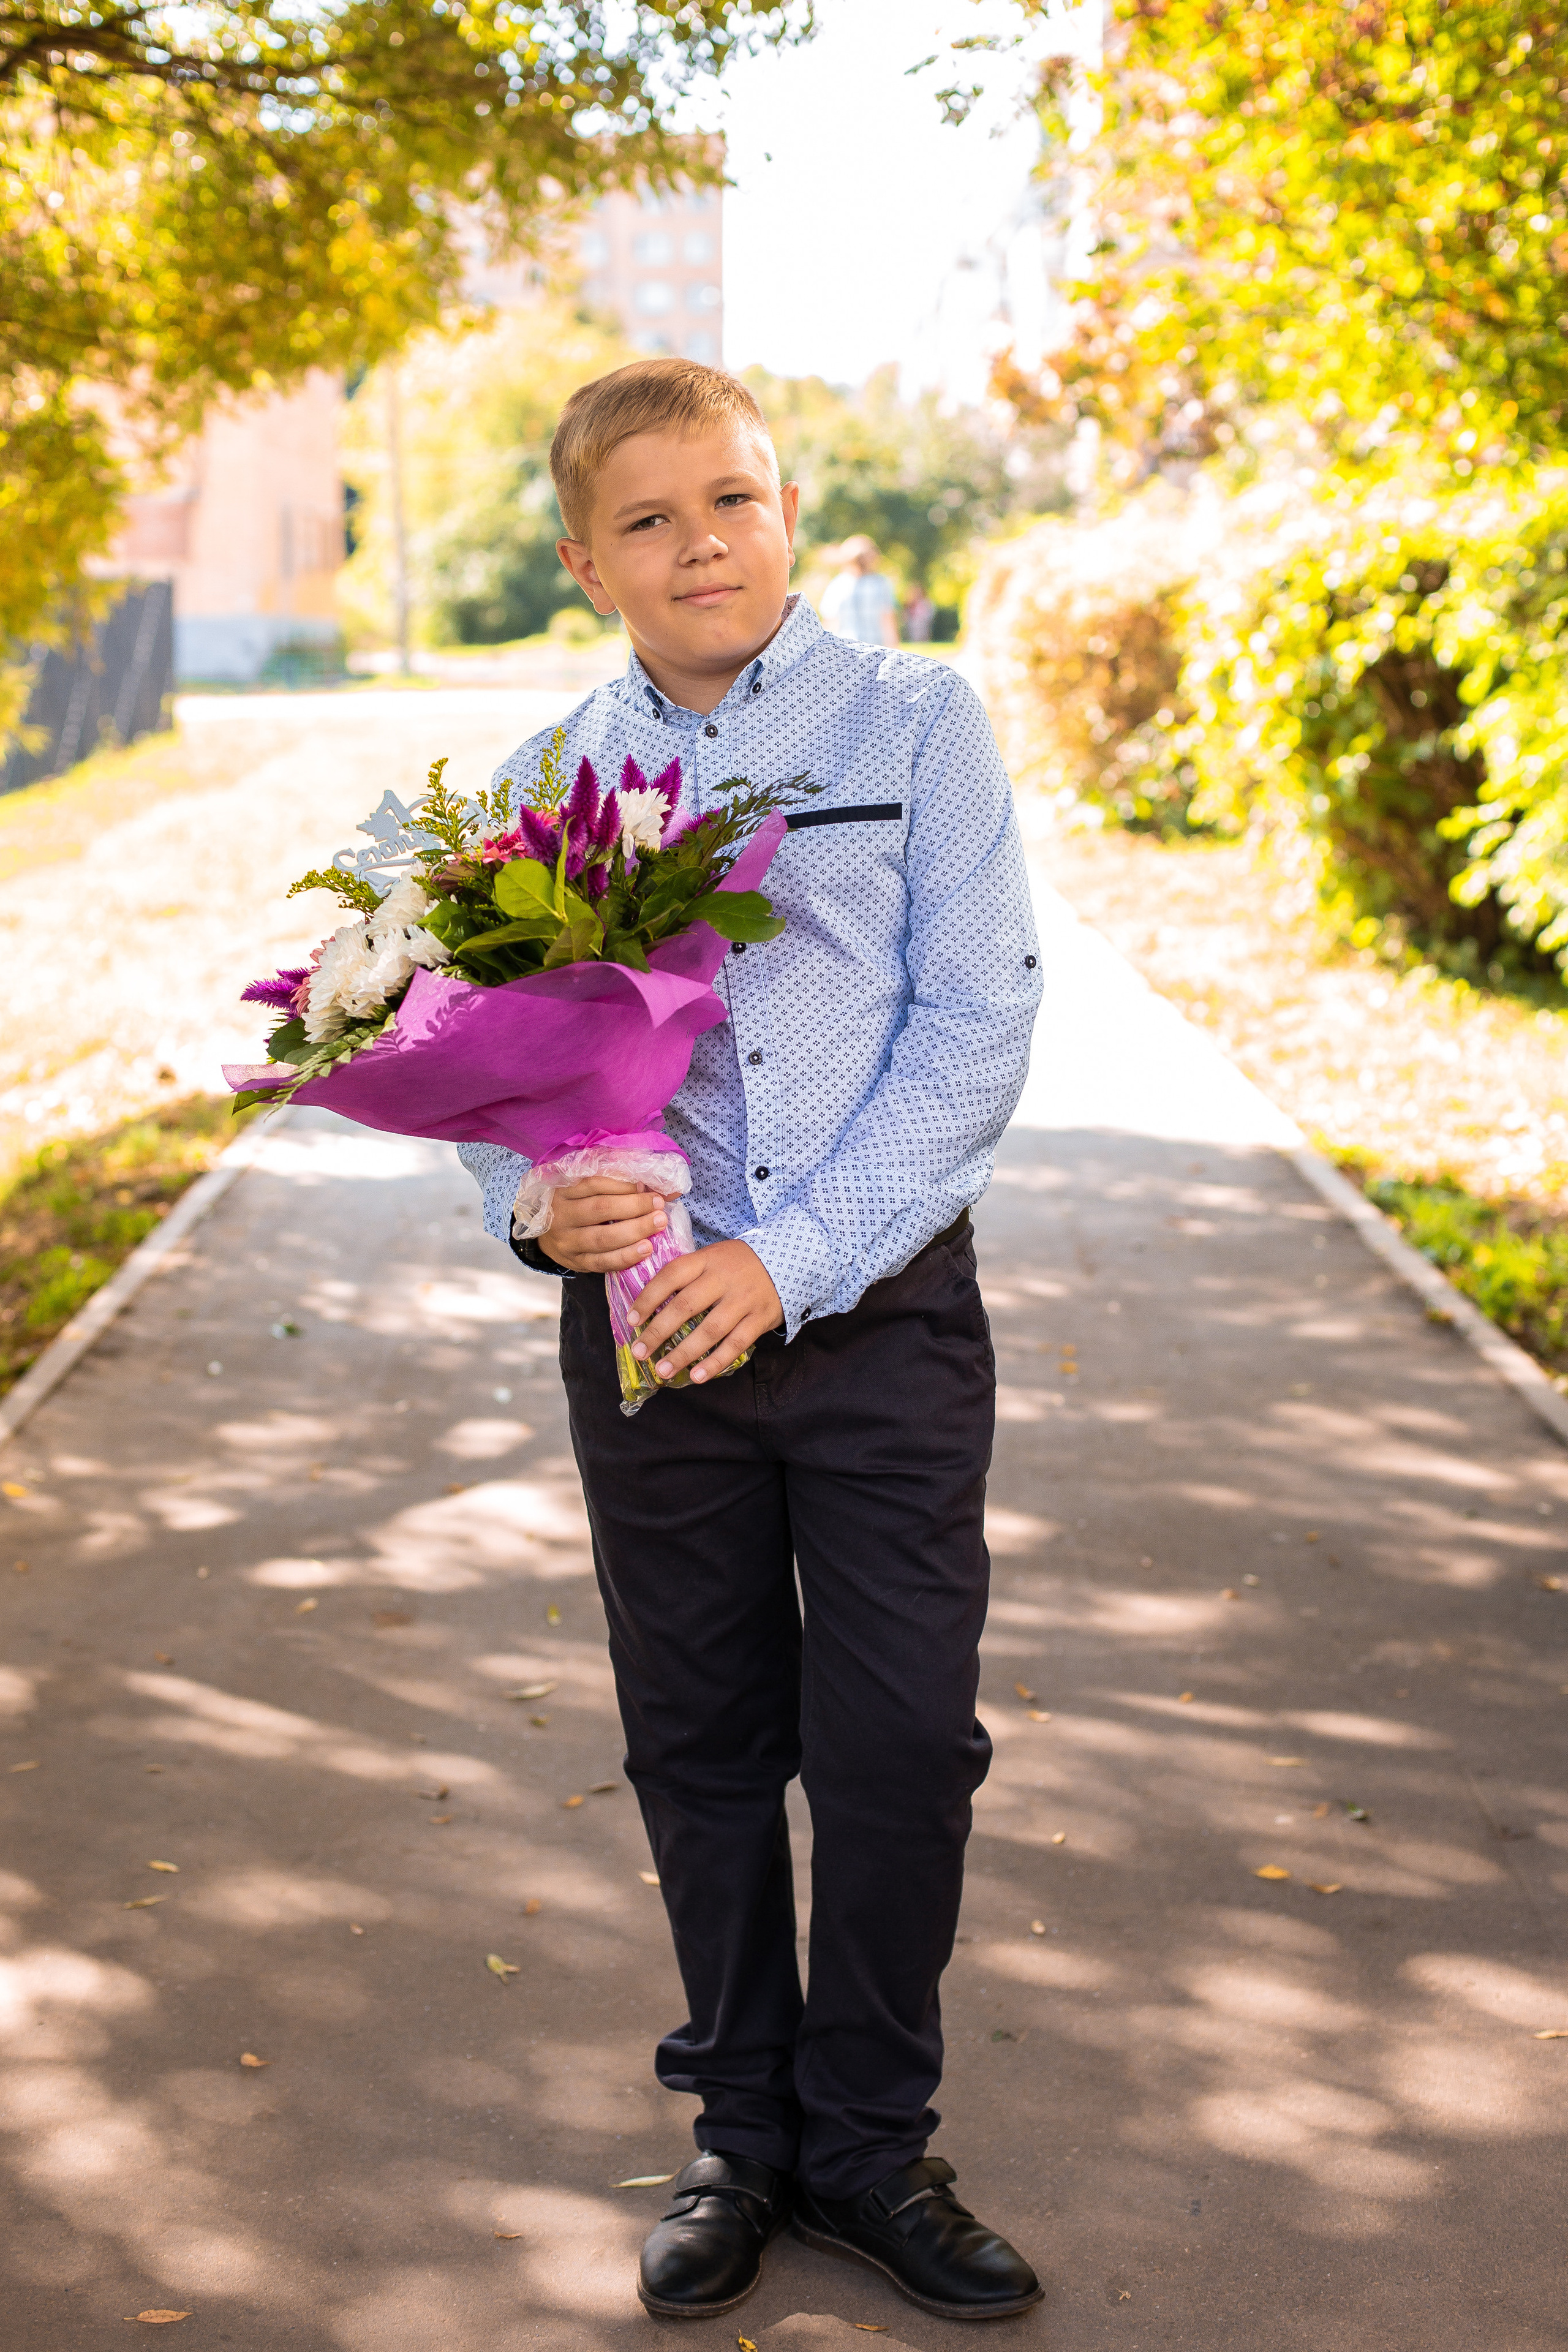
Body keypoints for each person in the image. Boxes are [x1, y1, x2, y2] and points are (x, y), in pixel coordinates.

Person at [458, 358, 1044, 2324]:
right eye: (648, 516)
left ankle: (872, 2138)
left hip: (875, 1324)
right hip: (648, 1347)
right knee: (698, 1741)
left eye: (733, 498)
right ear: (581, 559)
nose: (699, 538)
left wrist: (787, 1258)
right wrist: (538, 1212)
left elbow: (970, 1034)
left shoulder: (913, 721)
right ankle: (742, 2130)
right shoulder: (547, 782)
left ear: (787, 515)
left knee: (896, 1746)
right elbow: (502, 1079)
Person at [820, 532, 901, 647]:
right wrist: (894, 648)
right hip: (875, 647)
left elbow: (830, 622)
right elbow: (888, 621)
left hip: (846, 648)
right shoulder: (880, 584)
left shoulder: (837, 584)